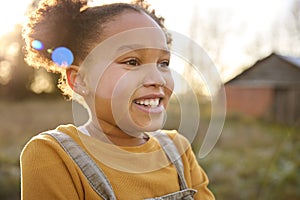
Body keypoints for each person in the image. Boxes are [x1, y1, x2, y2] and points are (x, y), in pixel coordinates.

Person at [20, 0, 215, 199]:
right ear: (80, 80)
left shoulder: (178, 150)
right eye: (132, 62)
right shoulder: (53, 155)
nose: (157, 79)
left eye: (163, 63)